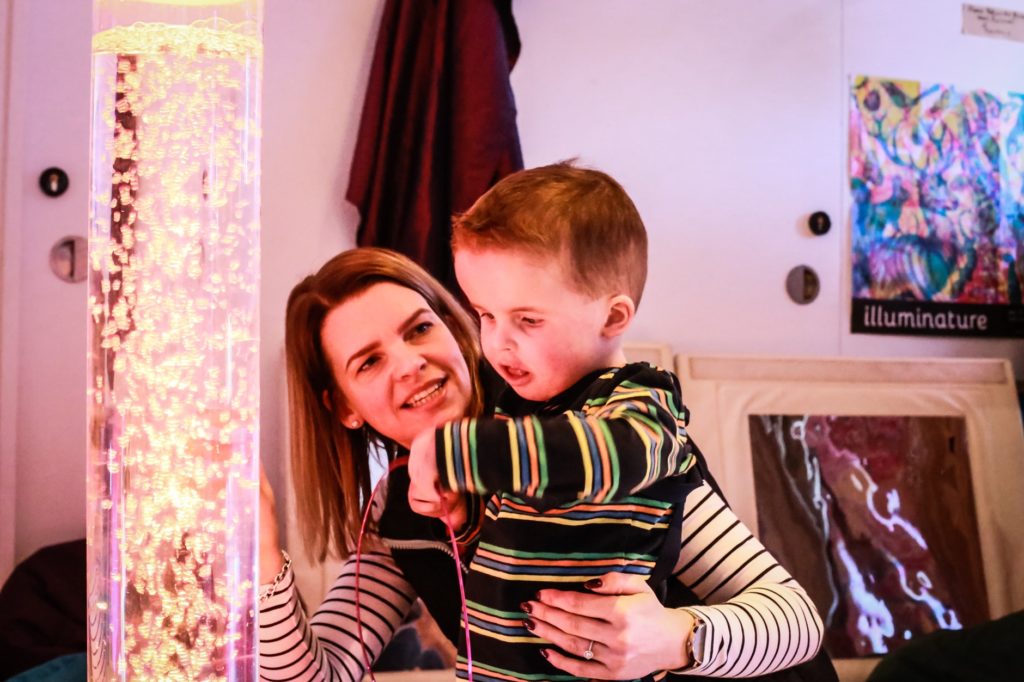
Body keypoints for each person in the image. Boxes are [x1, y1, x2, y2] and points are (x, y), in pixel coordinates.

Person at [259, 246, 829, 681]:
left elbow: (798, 622)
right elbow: (322, 673)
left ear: (456, 331)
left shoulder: (592, 440)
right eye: (370, 361)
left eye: (420, 329)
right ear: (344, 409)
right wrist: (262, 557)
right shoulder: (396, 515)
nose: (410, 363)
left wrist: (678, 637)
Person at [405, 163, 821, 681]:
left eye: (528, 320)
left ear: (614, 318)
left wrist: (676, 638)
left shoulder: (642, 415)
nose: (498, 342)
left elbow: (800, 623)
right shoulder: (517, 419)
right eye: (485, 315)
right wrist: (466, 516)